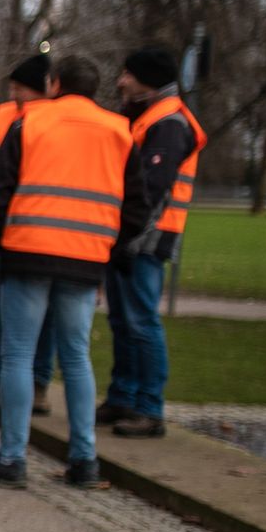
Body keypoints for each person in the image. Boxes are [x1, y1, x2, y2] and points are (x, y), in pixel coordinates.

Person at [0, 54, 149, 490]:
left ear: (55, 83)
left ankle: (12, 458)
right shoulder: (120, 131)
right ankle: (84, 461)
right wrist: (108, 248)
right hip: (86, 259)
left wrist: (4, 239)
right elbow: (139, 208)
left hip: (27, 253)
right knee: (76, 357)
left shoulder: (30, 123)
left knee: (18, 356)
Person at [101, 46, 207, 439]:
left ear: (147, 78)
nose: (121, 81)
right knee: (123, 320)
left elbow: (151, 189)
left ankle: (149, 407)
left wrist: (127, 238)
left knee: (142, 321)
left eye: (127, 74)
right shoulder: (143, 118)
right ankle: (124, 396)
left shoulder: (169, 124)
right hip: (128, 236)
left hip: (146, 239)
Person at [0, 54, 58, 416]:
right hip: (6, 231)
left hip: (48, 233)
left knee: (46, 314)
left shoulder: (57, 121)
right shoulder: (1, 118)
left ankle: (37, 385)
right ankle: (4, 386)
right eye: (13, 87)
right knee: (8, 315)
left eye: (20, 88)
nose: (14, 94)